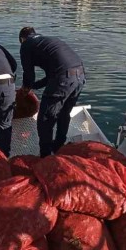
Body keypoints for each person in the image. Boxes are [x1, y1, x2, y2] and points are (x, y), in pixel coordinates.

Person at [18, 26, 85, 157]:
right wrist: (35, 86)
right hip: (80, 76)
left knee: (45, 119)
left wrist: (26, 89)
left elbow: (29, 74)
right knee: (64, 113)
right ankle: (59, 146)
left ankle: (45, 156)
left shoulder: (26, 45)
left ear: (21, 39)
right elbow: (51, 75)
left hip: (63, 78)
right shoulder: (47, 42)